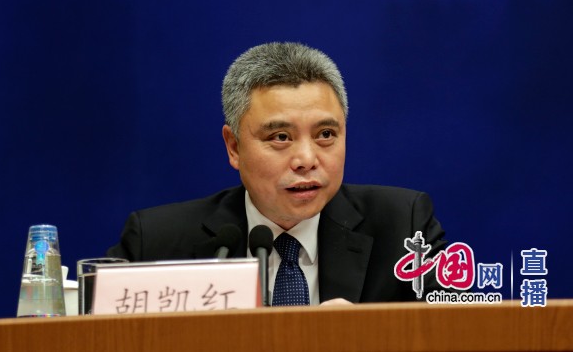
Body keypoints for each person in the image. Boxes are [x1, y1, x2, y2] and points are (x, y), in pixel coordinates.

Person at [108, 42, 447, 304]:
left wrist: (366, 338)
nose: (306, 159)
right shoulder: (155, 244)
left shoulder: (404, 228)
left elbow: (458, 333)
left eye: (325, 134)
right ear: (234, 147)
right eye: (281, 137)